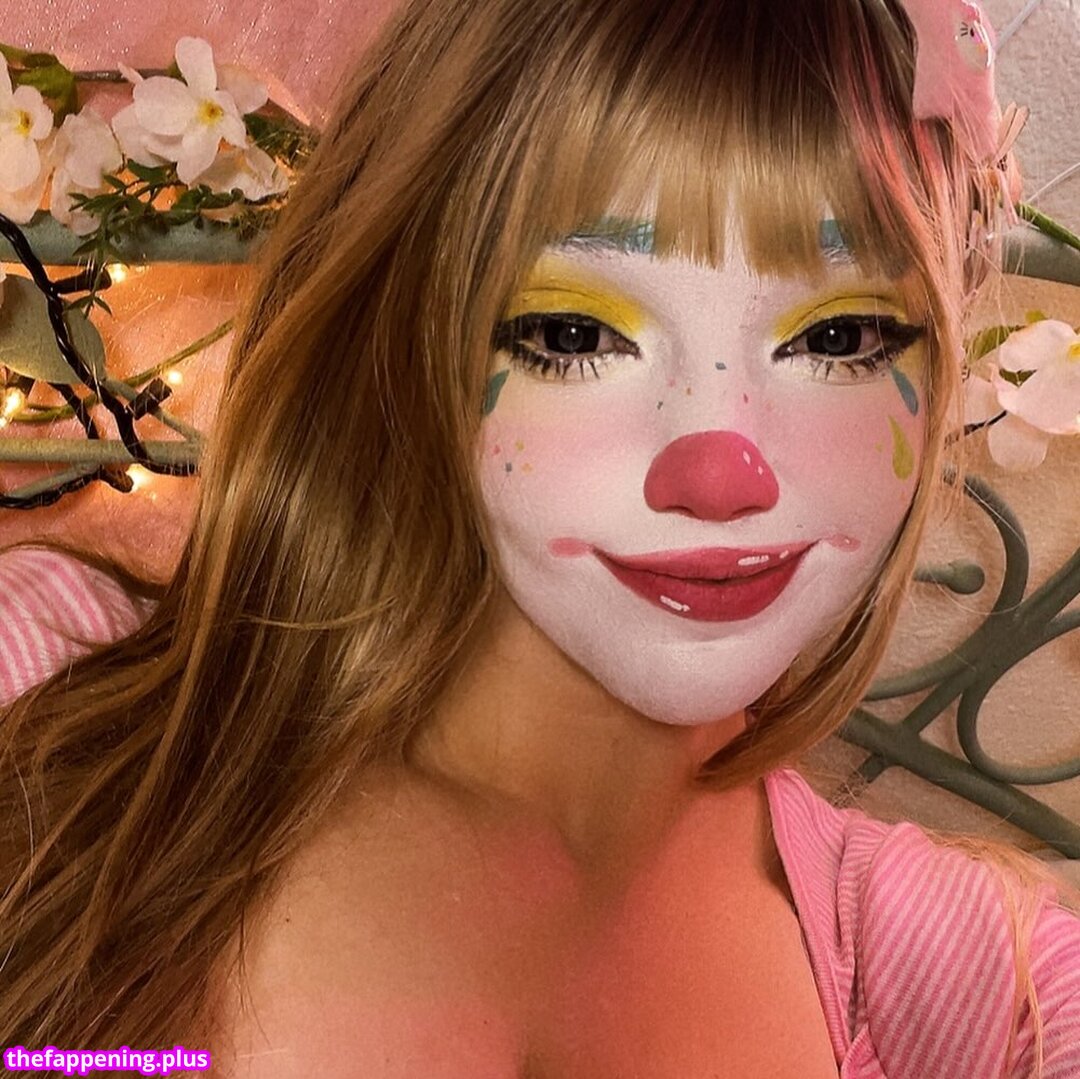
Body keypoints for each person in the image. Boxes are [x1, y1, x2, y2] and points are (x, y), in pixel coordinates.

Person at [1, 0, 1078, 1074]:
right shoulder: (49, 690)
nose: (721, 474)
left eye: (839, 337)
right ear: (405, 335)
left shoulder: (988, 977)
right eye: (574, 333)